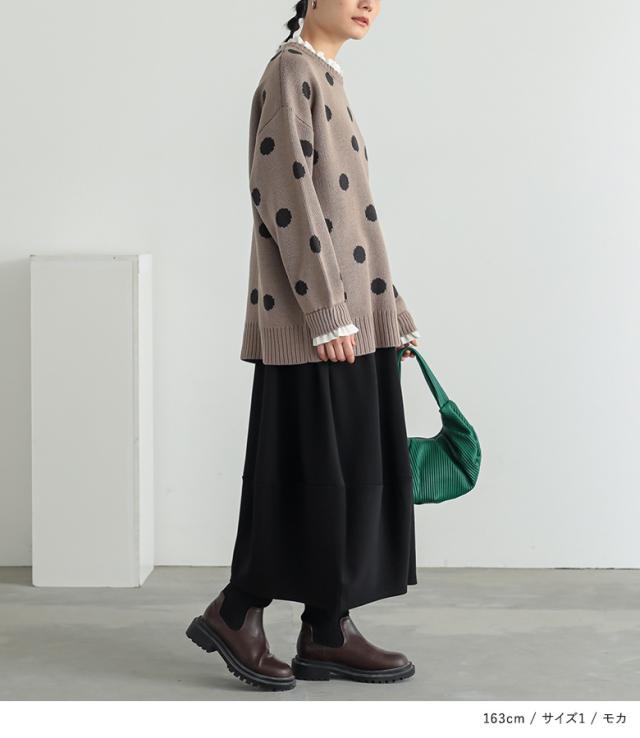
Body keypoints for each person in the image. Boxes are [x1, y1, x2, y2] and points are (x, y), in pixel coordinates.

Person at [186, 0, 420, 690]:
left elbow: (354, 216)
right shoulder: (292, 73)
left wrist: (390, 313)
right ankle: (237, 611)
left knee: (346, 474)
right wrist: (325, 312)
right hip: (317, 322)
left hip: (352, 318)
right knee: (307, 473)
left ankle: (326, 630)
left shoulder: (327, 76)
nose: (368, 2)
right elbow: (283, 194)